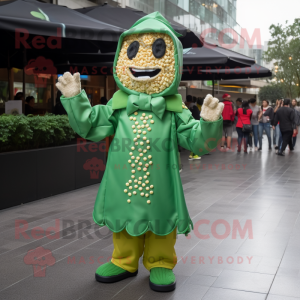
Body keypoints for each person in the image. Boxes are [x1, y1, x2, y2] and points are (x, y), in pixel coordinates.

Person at [56, 12, 224, 293]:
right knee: (123, 218)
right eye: (133, 50)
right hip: (122, 181)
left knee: (161, 219)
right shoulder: (118, 105)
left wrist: (207, 125)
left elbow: (198, 143)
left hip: (161, 184)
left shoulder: (175, 109)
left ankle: (160, 261)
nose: (143, 61)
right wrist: (75, 100)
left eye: (158, 50)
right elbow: (92, 126)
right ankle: (123, 260)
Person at [186, 95, 201, 160]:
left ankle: (191, 155)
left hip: (189, 125)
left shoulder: (186, 107)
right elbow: (197, 117)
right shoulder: (194, 107)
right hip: (195, 125)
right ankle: (194, 155)